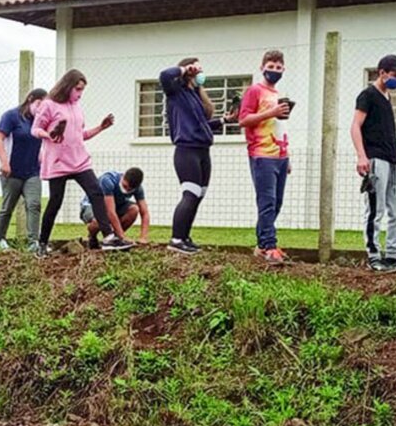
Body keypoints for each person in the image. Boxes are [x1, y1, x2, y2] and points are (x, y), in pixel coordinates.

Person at [31, 69, 133, 256]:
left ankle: (109, 236)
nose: (79, 94)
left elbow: (80, 136)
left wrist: (101, 127)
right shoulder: (49, 105)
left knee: (96, 191)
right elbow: (35, 129)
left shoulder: (77, 107)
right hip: (58, 162)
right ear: (67, 86)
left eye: (82, 90)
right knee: (55, 202)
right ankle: (42, 244)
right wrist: (49, 135)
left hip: (79, 160)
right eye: (77, 89)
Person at [158, 58, 236, 255]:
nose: (201, 71)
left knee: (199, 195)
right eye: (198, 68)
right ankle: (176, 239)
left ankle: (184, 237)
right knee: (190, 193)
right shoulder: (176, 91)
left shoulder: (194, 96)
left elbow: (201, 125)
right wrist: (184, 69)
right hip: (187, 150)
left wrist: (224, 120)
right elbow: (165, 75)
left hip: (203, 150)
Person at [350, 54, 396, 272]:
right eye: (395, 74)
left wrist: (395, 152)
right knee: (375, 210)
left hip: (391, 160)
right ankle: (374, 255)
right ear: (382, 73)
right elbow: (356, 126)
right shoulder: (367, 95)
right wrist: (361, 156)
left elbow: (378, 130)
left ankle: (393, 255)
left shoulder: (386, 98)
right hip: (375, 160)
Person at [238, 49, 292, 264]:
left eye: (279, 67)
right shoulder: (254, 91)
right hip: (262, 154)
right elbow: (244, 119)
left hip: (280, 155)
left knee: (276, 202)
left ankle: (262, 244)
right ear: (262, 68)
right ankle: (269, 245)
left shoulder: (277, 94)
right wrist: (271, 112)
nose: (275, 70)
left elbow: (279, 126)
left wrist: (287, 155)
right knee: (267, 201)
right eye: (271, 67)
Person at [0, 88, 47, 252]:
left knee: (34, 204)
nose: (40, 109)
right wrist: (3, 161)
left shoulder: (41, 121)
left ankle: (33, 242)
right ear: (30, 99)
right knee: (7, 206)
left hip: (33, 172)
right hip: (12, 171)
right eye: (39, 104)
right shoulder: (11, 116)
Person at [81, 167, 150, 248]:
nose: (126, 190)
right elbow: (110, 212)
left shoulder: (138, 188)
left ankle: (115, 239)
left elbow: (144, 212)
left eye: (129, 190)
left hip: (116, 205)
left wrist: (143, 237)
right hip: (92, 206)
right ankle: (92, 236)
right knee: (99, 221)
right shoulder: (108, 181)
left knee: (134, 209)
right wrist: (123, 237)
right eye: (125, 186)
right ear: (123, 177)